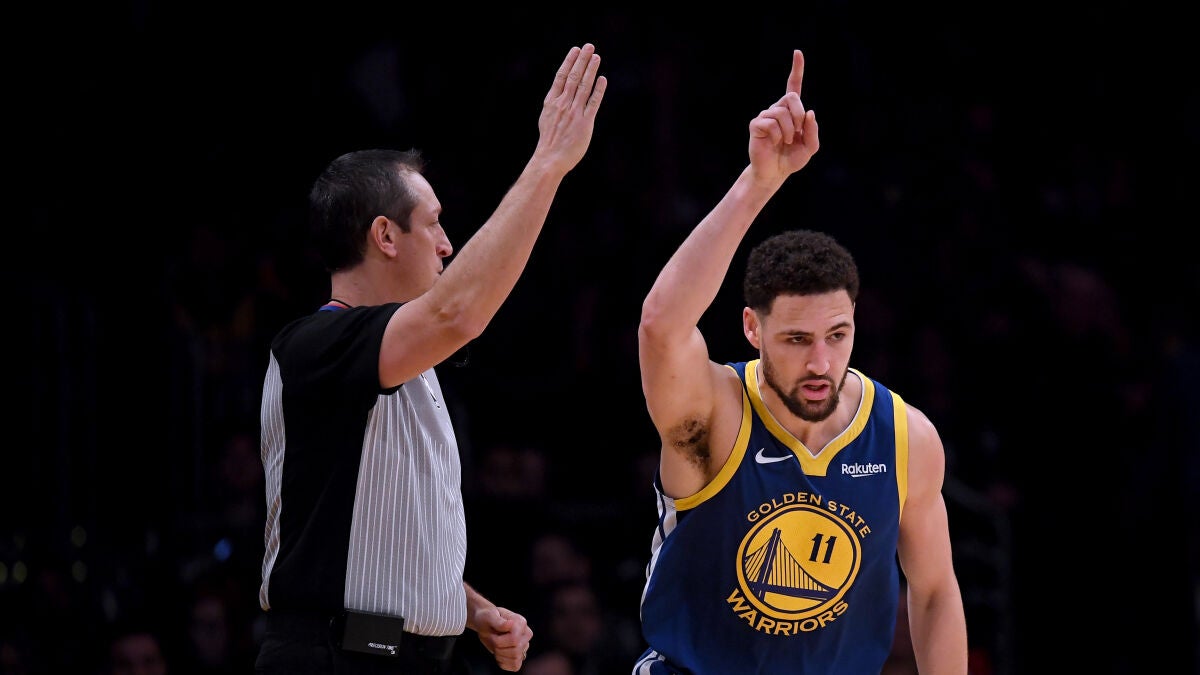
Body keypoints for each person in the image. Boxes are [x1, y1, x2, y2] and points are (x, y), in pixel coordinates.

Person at [254, 43, 607, 675]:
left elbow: (388, 546)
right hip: (334, 659)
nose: (447, 245)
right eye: (435, 223)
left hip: (408, 656)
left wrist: (470, 610)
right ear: (385, 236)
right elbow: (459, 312)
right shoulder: (314, 345)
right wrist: (549, 162)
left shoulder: (408, 362)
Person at [633, 49, 968, 674]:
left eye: (837, 335)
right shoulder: (715, 414)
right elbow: (661, 325)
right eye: (795, 339)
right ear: (752, 329)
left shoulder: (905, 437)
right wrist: (759, 182)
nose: (821, 361)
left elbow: (934, 593)